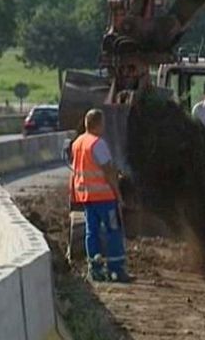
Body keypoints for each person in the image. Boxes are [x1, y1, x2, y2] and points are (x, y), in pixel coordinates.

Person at [70, 109, 130, 283]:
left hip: (87, 197)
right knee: (113, 231)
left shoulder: (78, 142)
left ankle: (95, 269)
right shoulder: (98, 144)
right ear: (97, 124)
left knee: (91, 232)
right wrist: (118, 194)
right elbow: (108, 171)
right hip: (104, 197)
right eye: (103, 123)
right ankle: (116, 270)